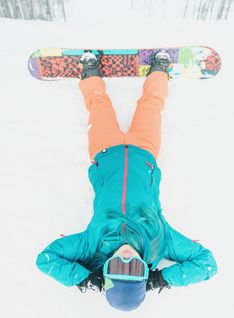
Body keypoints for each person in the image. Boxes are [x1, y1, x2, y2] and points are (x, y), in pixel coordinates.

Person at [36, 50, 218, 312]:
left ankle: (89, 72)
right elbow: (207, 264)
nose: (126, 258)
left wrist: (85, 279)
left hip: (105, 152)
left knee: (98, 106)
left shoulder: (91, 244)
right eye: (134, 267)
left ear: (105, 270)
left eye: (117, 267)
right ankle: (159, 69)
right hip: (144, 153)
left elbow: (46, 259)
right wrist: (162, 280)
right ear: (146, 270)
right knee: (151, 105)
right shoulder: (160, 240)